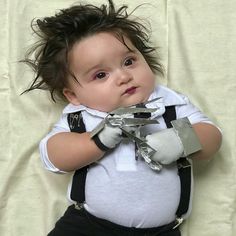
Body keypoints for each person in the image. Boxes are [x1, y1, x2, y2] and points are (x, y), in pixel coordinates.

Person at [22, 0, 222, 235]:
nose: (123, 76)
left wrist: (182, 139)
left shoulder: (170, 104)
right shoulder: (82, 116)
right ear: (73, 95)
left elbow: (212, 137)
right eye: (101, 75)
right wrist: (97, 139)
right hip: (88, 225)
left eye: (129, 61)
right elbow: (52, 155)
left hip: (161, 230)